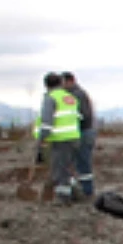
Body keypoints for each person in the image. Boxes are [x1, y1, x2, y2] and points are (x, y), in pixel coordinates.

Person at [35, 72, 82, 205]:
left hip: (61, 139)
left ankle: (63, 198)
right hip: (74, 137)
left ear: (46, 85)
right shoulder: (70, 97)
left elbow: (46, 122)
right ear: (61, 83)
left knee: (60, 170)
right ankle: (77, 192)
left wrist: (41, 139)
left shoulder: (50, 98)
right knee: (67, 167)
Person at [62, 72, 97, 197]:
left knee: (83, 163)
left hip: (83, 132)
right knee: (78, 163)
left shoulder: (77, 95)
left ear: (70, 81)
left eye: (63, 83)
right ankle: (81, 190)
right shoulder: (76, 94)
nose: (62, 86)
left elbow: (84, 115)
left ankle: (87, 191)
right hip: (82, 132)